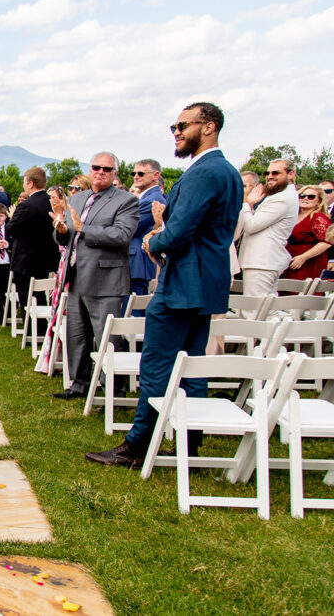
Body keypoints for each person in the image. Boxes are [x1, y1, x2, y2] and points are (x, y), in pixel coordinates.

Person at [87, 102, 241, 467]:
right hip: (207, 281)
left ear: (208, 127)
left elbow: (182, 229)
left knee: (157, 363)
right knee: (192, 363)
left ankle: (138, 444)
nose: (175, 132)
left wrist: (153, 242)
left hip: (184, 279)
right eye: (173, 126)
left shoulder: (204, 172)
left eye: (182, 125)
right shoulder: (229, 171)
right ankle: (189, 440)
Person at [50, 152, 138, 400]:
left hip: (105, 279)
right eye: (96, 167)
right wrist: (62, 230)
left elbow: (122, 235)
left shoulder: (126, 201)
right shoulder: (77, 199)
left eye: (106, 169)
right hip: (76, 274)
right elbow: (67, 236)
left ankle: (113, 390)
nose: (100, 172)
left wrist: (83, 229)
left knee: (107, 337)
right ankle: (79, 384)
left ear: (115, 174)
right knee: (76, 334)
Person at [236, 159, 298, 297]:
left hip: (262, 262)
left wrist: (248, 203)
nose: (270, 176)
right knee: (263, 310)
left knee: (253, 311)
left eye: (276, 173)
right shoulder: (283, 195)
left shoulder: (282, 198)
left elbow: (251, 226)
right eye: (267, 172)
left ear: (291, 174)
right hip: (264, 262)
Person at [5, 167, 58, 309]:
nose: (23, 185)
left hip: (26, 261)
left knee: (27, 300)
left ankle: (31, 329)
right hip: (47, 260)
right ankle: (44, 327)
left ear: (30, 184)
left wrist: (11, 217)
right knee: (42, 297)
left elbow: (11, 229)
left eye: (24, 182)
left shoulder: (26, 206)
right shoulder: (52, 203)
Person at [129, 159, 167, 297]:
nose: (136, 177)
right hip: (136, 262)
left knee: (134, 312)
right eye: (134, 173)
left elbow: (130, 228)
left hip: (138, 262)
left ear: (156, 175)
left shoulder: (152, 199)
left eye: (141, 173)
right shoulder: (147, 198)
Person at [282, 184, 333, 280]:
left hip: (308, 264)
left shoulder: (318, 218)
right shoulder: (292, 215)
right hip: (287, 262)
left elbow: (327, 242)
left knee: (300, 292)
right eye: (302, 196)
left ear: (319, 201)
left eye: (311, 197)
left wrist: (303, 257)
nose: (305, 199)